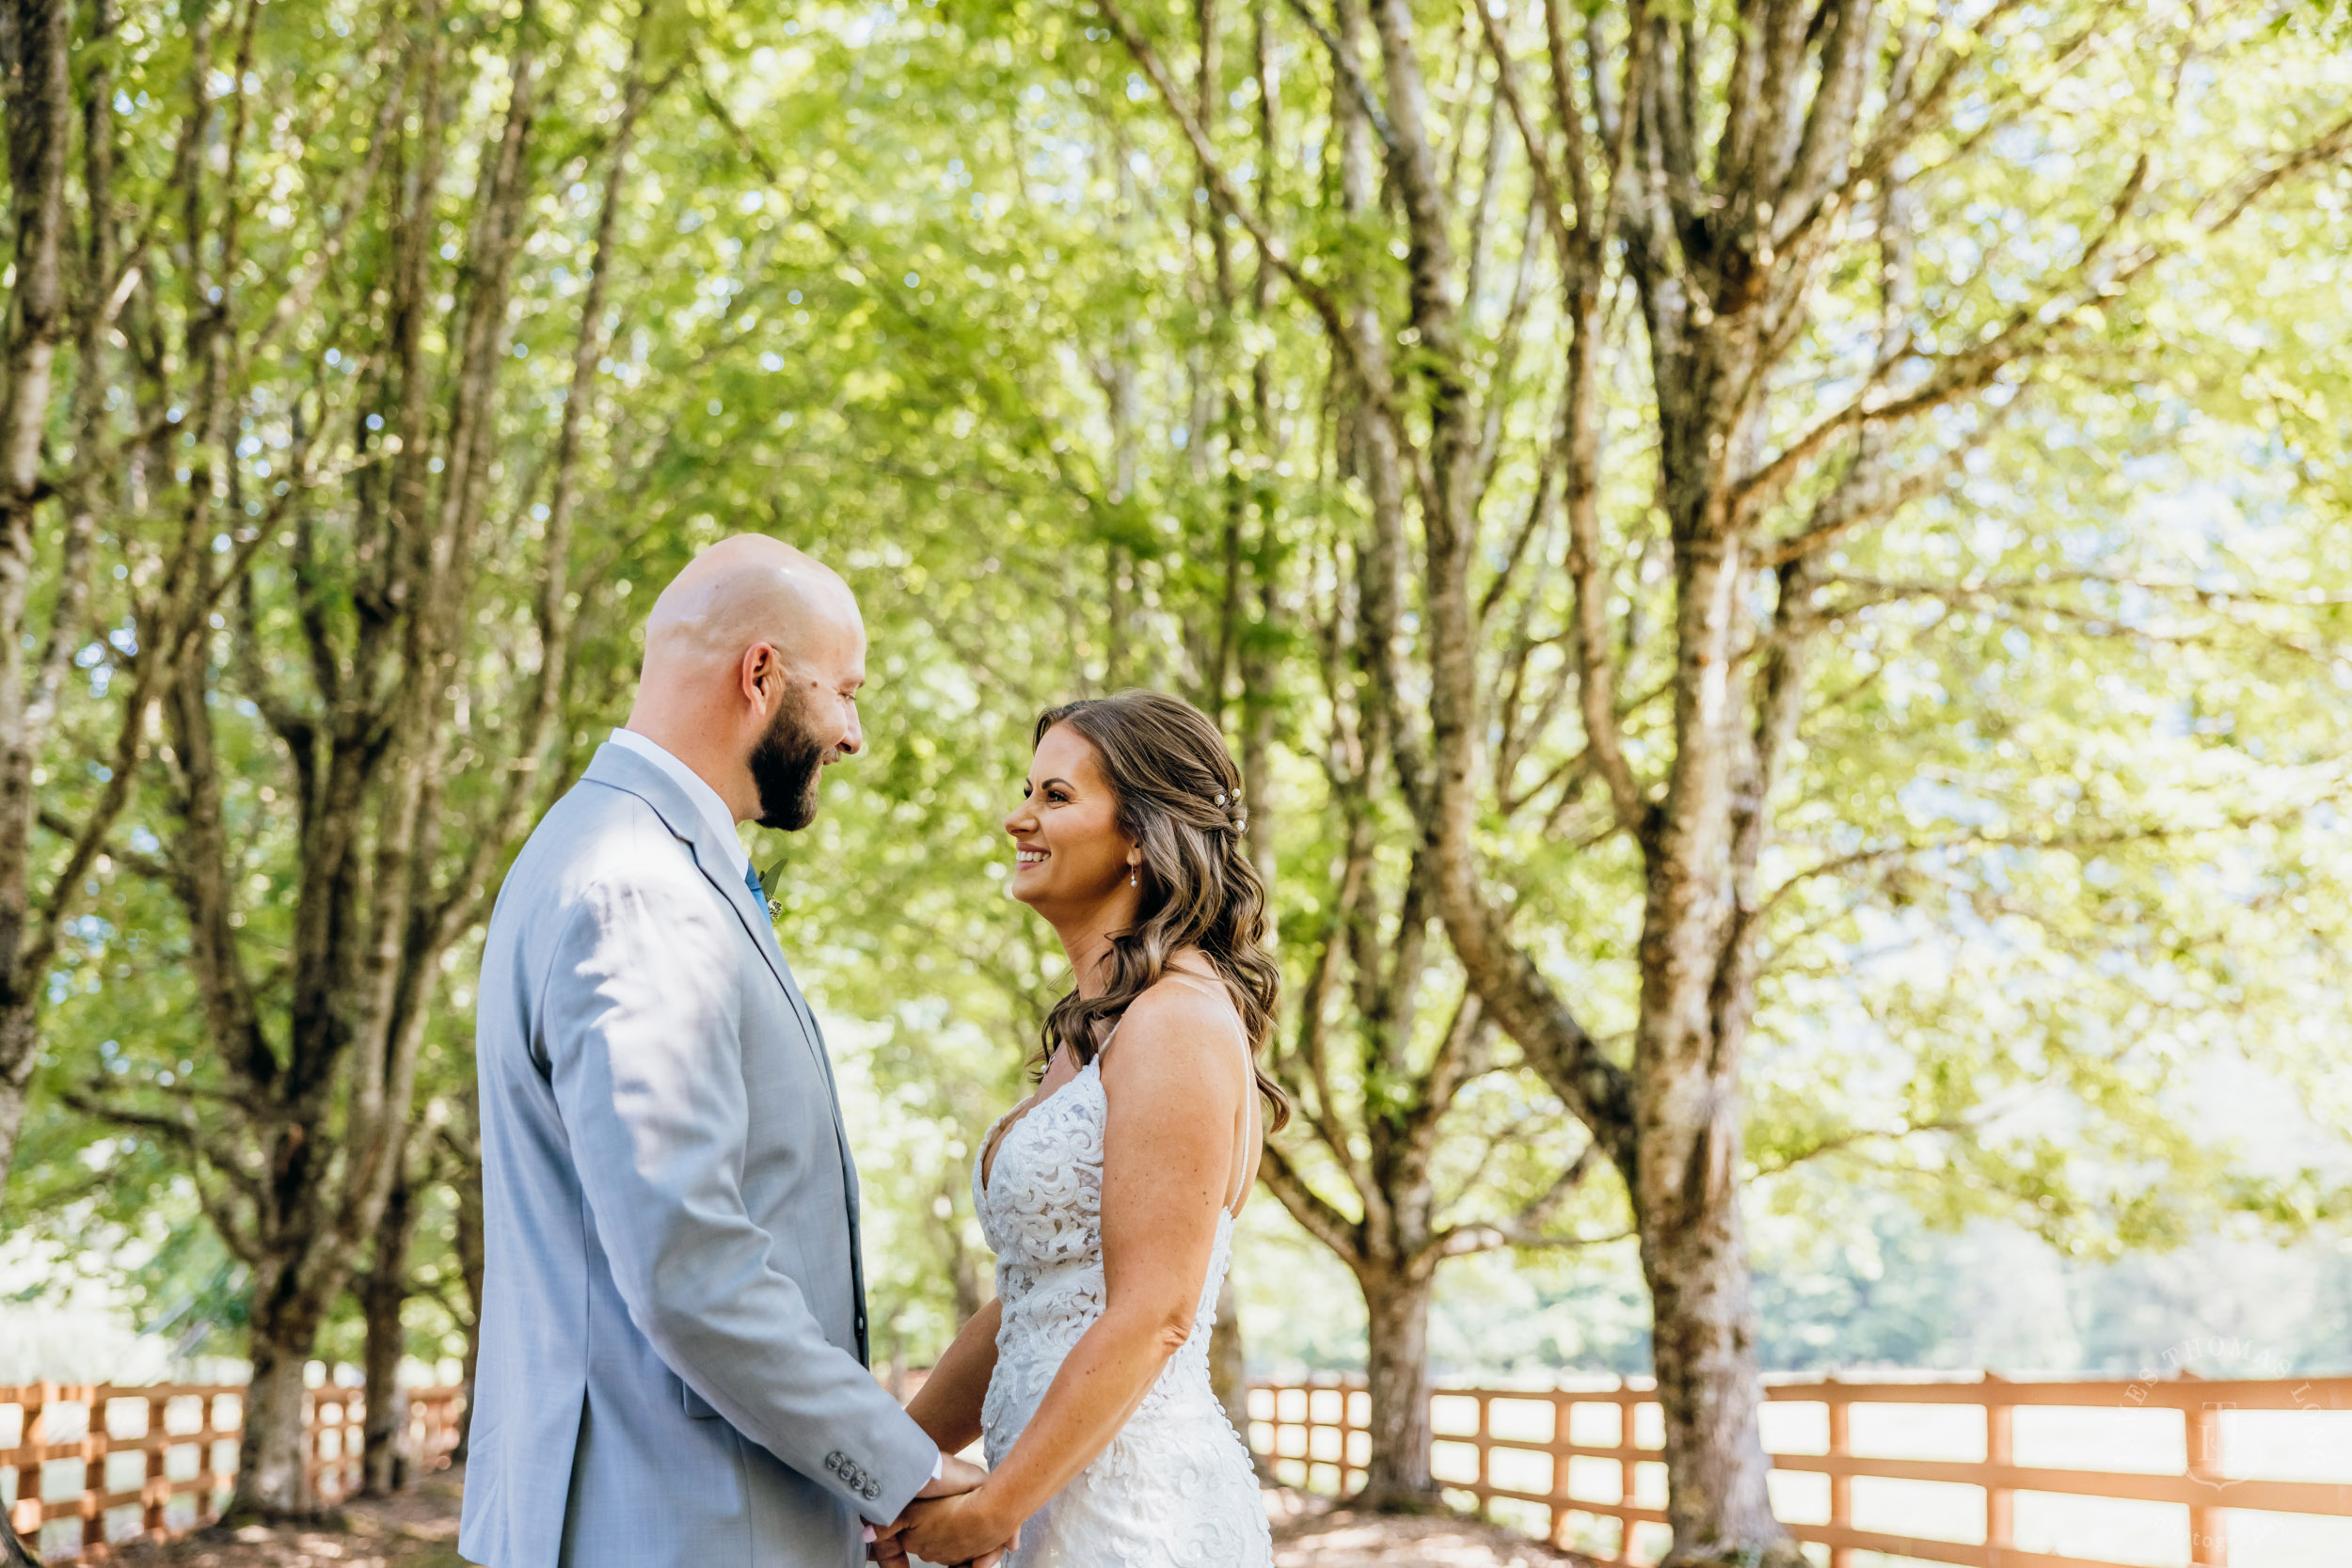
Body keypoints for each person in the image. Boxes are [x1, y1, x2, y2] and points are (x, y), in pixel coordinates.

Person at [457, 537, 1012, 1568]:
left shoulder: (613, 851)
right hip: (675, 1524)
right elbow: (689, 1264)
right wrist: (899, 1462)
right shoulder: (638, 887)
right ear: (760, 674)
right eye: (843, 691)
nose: (850, 733)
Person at [880, 690, 1282, 1568]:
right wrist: (882, 1467)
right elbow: (1033, 1301)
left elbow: (1154, 1314)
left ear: (1139, 832)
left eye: (1054, 796)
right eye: (1029, 791)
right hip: (1049, 1493)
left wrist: (992, 1511)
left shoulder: (1178, 1017)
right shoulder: (1093, 1031)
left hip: (1134, 1515)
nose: (1016, 817)